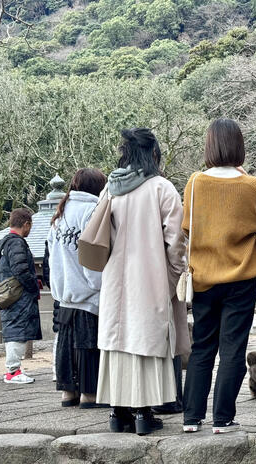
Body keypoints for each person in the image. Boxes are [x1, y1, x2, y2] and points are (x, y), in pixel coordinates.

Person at [96, 128, 190, 435]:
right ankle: (142, 412)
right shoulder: (162, 188)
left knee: (119, 340)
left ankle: (117, 411)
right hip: (150, 278)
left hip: (114, 280)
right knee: (146, 339)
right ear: (153, 154)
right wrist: (173, 276)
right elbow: (175, 241)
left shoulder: (109, 189)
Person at [182, 118, 256, 435]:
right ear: (239, 146)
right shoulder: (251, 185)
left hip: (204, 277)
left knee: (202, 347)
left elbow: (187, 227)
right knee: (233, 347)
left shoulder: (195, 183)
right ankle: (223, 418)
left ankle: (191, 418)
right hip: (241, 278)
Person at [47, 168, 107, 408]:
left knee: (66, 344)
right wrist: (99, 284)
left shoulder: (61, 212)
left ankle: (68, 392)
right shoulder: (92, 210)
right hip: (86, 292)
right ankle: (89, 394)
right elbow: (92, 253)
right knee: (87, 345)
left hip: (64, 294)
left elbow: (52, 255)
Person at [0, 208, 42, 384]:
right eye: (30, 226)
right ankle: (13, 371)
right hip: (19, 295)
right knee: (17, 332)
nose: (30, 230)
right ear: (26, 224)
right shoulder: (17, 243)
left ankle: (14, 369)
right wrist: (34, 286)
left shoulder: (4, 242)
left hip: (10, 295)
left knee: (14, 329)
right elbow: (21, 269)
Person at [42, 240, 60, 382]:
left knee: (59, 334)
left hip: (59, 293)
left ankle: (57, 370)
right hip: (65, 293)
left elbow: (47, 270)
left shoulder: (52, 238)